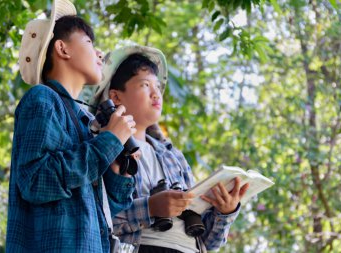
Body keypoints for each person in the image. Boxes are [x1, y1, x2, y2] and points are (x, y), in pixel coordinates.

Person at [6, 0, 136, 252]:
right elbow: (35, 180)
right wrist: (108, 143)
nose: (100, 53)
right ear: (62, 49)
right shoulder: (41, 99)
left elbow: (109, 208)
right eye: (89, 43)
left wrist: (119, 168)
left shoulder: (85, 120)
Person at [93, 45, 249, 253]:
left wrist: (225, 211)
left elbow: (210, 243)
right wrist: (149, 208)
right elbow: (97, 217)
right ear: (116, 97)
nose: (156, 94)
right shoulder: (104, 145)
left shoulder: (173, 155)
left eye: (157, 87)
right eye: (145, 85)